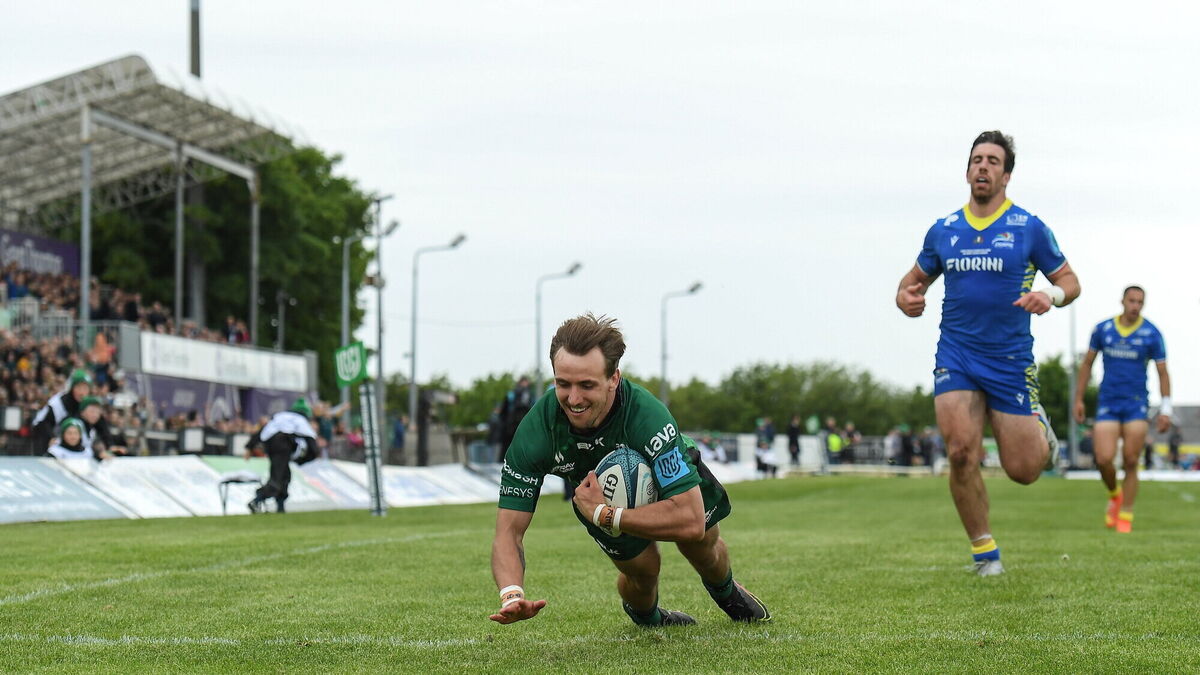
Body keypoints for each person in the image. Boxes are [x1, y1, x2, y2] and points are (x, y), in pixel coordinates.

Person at [489, 314, 769, 627]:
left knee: (702, 546)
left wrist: (604, 515)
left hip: (640, 489)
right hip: (599, 497)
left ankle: (727, 592)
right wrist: (511, 593)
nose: (573, 399)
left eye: (587, 385)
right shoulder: (536, 434)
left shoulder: (646, 416)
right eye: (562, 384)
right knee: (644, 573)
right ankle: (649, 618)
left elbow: (690, 521)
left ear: (613, 378)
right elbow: (508, 532)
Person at [895, 130, 1081, 576]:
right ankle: (985, 553)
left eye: (993, 161)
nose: (983, 166)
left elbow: (1071, 283)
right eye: (977, 160)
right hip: (956, 355)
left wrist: (1050, 296)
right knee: (961, 451)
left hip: (1009, 360)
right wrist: (906, 299)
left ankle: (1040, 429)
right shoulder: (944, 230)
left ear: (1007, 176)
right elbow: (910, 284)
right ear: (967, 172)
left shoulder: (1028, 228)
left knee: (1024, 470)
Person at [1072, 286, 1170, 534]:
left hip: (1136, 404)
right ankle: (1115, 494)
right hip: (1108, 402)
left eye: (1140, 302)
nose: (1135, 306)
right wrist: (1079, 399)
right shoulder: (1103, 329)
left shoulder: (1151, 333)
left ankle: (1125, 514)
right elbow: (1087, 364)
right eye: (1132, 301)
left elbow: (1162, 372)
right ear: (1122, 301)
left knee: (1131, 460)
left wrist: (1165, 409)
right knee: (1104, 459)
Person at [244, 398, 320, 514]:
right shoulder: (300, 419)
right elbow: (311, 441)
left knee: (285, 475)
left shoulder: (279, 416)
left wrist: (250, 447)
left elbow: (262, 431)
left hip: (270, 444)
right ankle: (257, 499)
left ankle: (280, 507)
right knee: (278, 477)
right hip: (283, 445)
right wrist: (304, 459)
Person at [31, 369, 93, 453]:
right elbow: (44, 423)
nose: (82, 392)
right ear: (72, 388)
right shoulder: (60, 402)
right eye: (79, 388)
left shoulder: (87, 403)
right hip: (44, 432)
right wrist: (51, 437)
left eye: (85, 388)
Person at [497, 376, 534, 461]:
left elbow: (502, 412)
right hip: (517, 424)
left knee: (508, 446)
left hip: (511, 425)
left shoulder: (512, 394)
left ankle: (504, 461)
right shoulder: (527, 394)